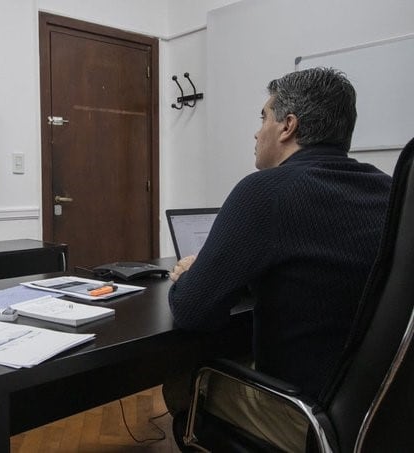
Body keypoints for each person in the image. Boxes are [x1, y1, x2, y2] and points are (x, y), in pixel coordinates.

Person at [165, 67, 392, 451]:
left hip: (306, 415)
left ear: (287, 126)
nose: (257, 133)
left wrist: (192, 274)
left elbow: (192, 311)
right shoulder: (389, 190)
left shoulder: (265, 192)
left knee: (178, 383)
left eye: (263, 118)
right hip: (380, 409)